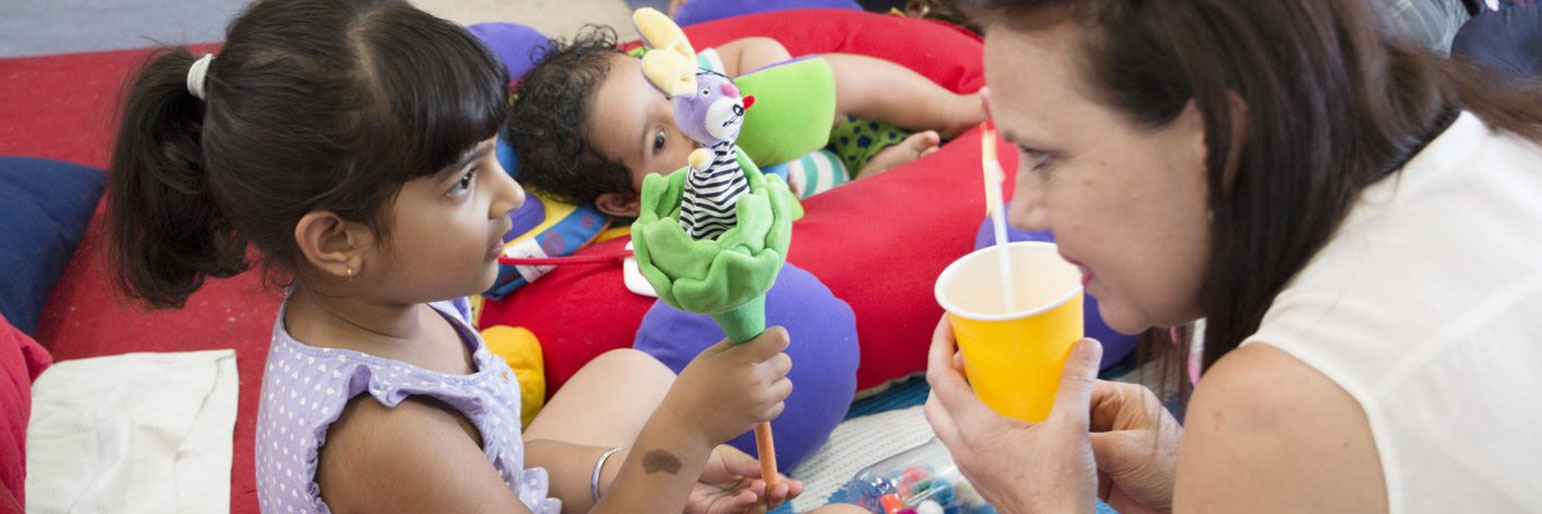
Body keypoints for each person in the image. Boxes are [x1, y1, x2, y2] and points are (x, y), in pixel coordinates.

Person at [103, 0, 869, 512]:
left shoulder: (393, 290)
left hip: (489, 486)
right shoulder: (385, 437)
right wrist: (685, 434)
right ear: (338, 240)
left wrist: (621, 474)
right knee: (665, 399)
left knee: (632, 372)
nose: (510, 196)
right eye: (465, 180)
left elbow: (507, 465)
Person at [923, 0, 1542, 512]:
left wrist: (1045, 502)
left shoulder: (1276, 402)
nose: (1023, 207)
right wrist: (1191, 481)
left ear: (1216, 139)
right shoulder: (1505, 143)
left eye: (1043, 156)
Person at [506, 27, 985, 217]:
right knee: (849, 212)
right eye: (658, 139)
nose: (682, 108)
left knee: (828, 76)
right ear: (629, 200)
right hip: (825, 197)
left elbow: (753, 49)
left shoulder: (699, 82)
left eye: (662, 86)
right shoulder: (687, 213)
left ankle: (952, 110)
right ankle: (879, 170)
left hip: (827, 134)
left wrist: (772, 81)